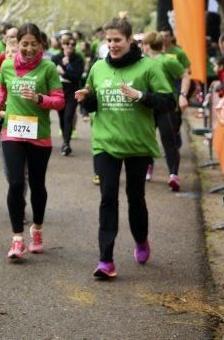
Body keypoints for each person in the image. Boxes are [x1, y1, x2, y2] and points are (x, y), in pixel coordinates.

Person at [75, 18, 175, 280]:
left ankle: (141, 240)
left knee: (135, 197)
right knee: (108, 198)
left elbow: (168, 102)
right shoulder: (97, 68)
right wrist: (87, 100)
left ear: (130, 40)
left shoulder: (149, 67)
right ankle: (105, 260)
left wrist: (140, 96)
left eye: (117, 40)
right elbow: (94, 104)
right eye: (109, 40)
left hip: (137, 145)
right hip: (105, 144)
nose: (113, 45)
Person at [0, 23, 64, 262]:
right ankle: (17, 238)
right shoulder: (8, 66)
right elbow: (2, 91)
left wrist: (40, 98)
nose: (28, 48)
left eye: (33, 44)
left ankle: (36, 230)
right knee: (16, 182)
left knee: (38, 185)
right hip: (13, 131)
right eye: (24, 44)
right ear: (17, 44)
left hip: (39, 135)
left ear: (41, 44)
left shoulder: (48, 68)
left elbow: (60, 101)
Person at [141, 32, 186, 191]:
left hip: (166, 106)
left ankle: (173, 175)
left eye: (143, 44)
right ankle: (148, 166)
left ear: (147, 45)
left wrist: (183, 95)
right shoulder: (142, 62)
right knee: (146, 139)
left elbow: (185, 75)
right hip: (147, 105)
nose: (142, 47)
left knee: (168, 140)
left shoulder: (168, 60)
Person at [51, 32, 84, 156]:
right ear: (62, 45)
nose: (70, 46)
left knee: (68, 116)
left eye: (73, 44)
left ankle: (66, 144)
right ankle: (65, 138)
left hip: (72, 92)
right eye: (67, 44)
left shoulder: (78, 59)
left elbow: (77, 77)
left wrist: (63, 71)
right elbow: (51, 75)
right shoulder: (56, 58)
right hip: (59, 91)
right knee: (61, 117)